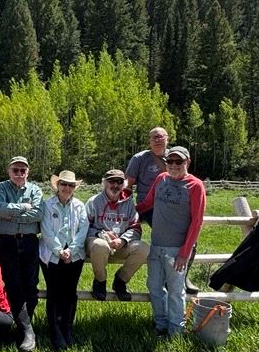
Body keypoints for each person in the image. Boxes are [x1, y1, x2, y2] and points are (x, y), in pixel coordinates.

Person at [136, 146, 206, 338]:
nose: (174, 165)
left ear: (187, 162)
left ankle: (176, 330)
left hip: (177, 250)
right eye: (170, 161)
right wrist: (126, 210)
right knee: (154, 286)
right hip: (156, 245)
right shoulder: (161, 179)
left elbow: (197, 221)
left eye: (179, 162)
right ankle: (161, 323)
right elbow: (147, 203)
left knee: (176, 290)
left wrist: (185, 252)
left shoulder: (195, 185)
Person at [0, 155, 42, 352]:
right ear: (9, 171)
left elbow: (38, 214)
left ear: (28, 172)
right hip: (6, 242)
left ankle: (23, 329)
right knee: (13, 285)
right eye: (16, 170)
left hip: (29, 241)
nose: (19, 174)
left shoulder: (35, 189)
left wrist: (10, 213)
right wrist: (23, 208)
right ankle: (27, 331)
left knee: (31, 285)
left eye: (23, 170)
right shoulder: (1, 188)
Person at [39, 170, 88, 350]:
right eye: (64, 184)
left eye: (71, 185)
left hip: (75, 255)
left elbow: (83, 230)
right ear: (57, 186)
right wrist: (60, 251)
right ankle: (55, 329)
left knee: (70, 292)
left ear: (74, 188)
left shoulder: (79, 206)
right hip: (52, 255)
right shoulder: (47, 205)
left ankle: (67, 327)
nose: (67, 188)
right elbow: (46, 231)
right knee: (54, 292)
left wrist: (72, 250)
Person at [85, 168, 149, 301]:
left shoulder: (129, 204)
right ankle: (100, 282)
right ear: (104, 183)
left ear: (124, 184)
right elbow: (83, 228)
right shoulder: (93, 202)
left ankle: (120, 280)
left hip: (120, 244)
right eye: (111, 181)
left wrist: (123, 240)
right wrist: (101, 234)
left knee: (144, 249)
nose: (115, 185)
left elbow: (135, 228)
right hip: (97, 243)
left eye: (119, 182)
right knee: (100, 245)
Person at [125, 127, 170, 209]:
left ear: (167, 138)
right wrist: (128, 206)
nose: (157, 140)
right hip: (147, 204)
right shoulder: (139, 158)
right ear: (149, 141)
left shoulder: (175, 157)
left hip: (171, 200)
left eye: (160, 136)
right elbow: (127, 184)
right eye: (154, 138)